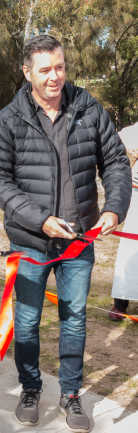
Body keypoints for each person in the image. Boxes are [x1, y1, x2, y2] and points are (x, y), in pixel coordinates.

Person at [0, 35, 131, 432]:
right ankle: (31, 387)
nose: (55, 77)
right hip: (30, 242)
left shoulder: (89, 109)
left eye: (60, 67)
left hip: (79, 241)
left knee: (74, 319)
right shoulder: (7, 120)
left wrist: (115, 208)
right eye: (45, 69)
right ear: (27, 72)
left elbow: (116, 162)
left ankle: (70, 394)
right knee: (28, 322)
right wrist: (38, 219)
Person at [109, 122, 138, 319]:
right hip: (136, 197)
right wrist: (130, 153)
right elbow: (114, 141)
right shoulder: (134, 131)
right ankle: (121, 303)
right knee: (129, 250)